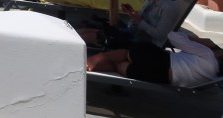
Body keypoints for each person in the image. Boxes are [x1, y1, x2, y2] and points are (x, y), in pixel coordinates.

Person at [79, 0, 183, 49]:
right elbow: (142, 18)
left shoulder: (169, 7)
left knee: (89, 36)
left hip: (146, 44)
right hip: (134, 33)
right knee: (85, 31)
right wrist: (131, 13)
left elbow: (160, 36)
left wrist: (139, 20)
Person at [86, 32, 223, 87]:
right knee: (119, 66)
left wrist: (197, 40)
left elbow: (173, 36)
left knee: (128, 52)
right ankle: (94, 64)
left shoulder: (207, 54)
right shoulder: (214, 77)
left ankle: (94, 60)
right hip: (160, 77)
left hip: (160, 60)